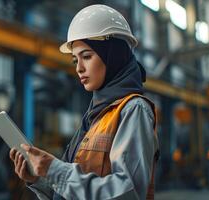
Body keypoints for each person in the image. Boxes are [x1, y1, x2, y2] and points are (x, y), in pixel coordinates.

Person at [9, 4, 159, 200]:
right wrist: (40, 179)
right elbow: (73, 192)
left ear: (113, 55)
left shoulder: (133, 110)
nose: (79, 68)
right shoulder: (96, 115)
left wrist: (55, 171)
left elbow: (128, 193)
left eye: (87, 56)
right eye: (75, 60)